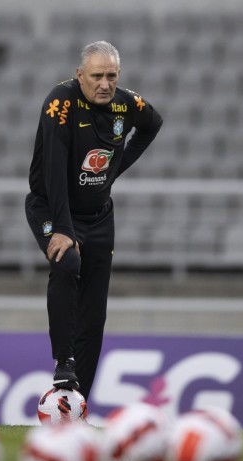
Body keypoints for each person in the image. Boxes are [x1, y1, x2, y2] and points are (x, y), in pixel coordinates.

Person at [25, 40, 163, 400]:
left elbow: (153, 123)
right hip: (51, 208)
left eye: (111, 76)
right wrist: (63, 229)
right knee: (67, 262)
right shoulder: (61, 102)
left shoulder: (126, 103)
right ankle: (63, 361)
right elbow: (53, 170)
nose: (105, 83)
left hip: (100, 216)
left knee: (94, 313)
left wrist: (117, 168)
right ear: (80, 75)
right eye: (97, 76)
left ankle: (77, 401)